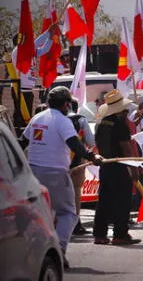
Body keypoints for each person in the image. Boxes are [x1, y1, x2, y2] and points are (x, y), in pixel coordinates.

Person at [19, 86, 103, 269]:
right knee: (68, 214)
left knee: (41, 215)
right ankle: (59, 251)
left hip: (33, 173)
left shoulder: (36, 118)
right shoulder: (62, 121)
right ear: (66, 104)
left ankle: (35, 253)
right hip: (55, 173)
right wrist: (93, 157)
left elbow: (21, 143)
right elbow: (75, 145)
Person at [93, 90, 140, 246]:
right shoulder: (120, 125)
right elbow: (127, 149)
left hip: (105, 166)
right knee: (122, 201)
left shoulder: (100, 124)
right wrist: (134, 170)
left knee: (104, 200)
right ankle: (120, 234)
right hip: (119, 167)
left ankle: (99, 234)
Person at [68, 98, 96, 235]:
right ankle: (75, 224)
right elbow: (91, 141)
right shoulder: (80, 120)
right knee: (75, 193)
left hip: (55, 162)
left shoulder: (50, 118)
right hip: (76, 162)